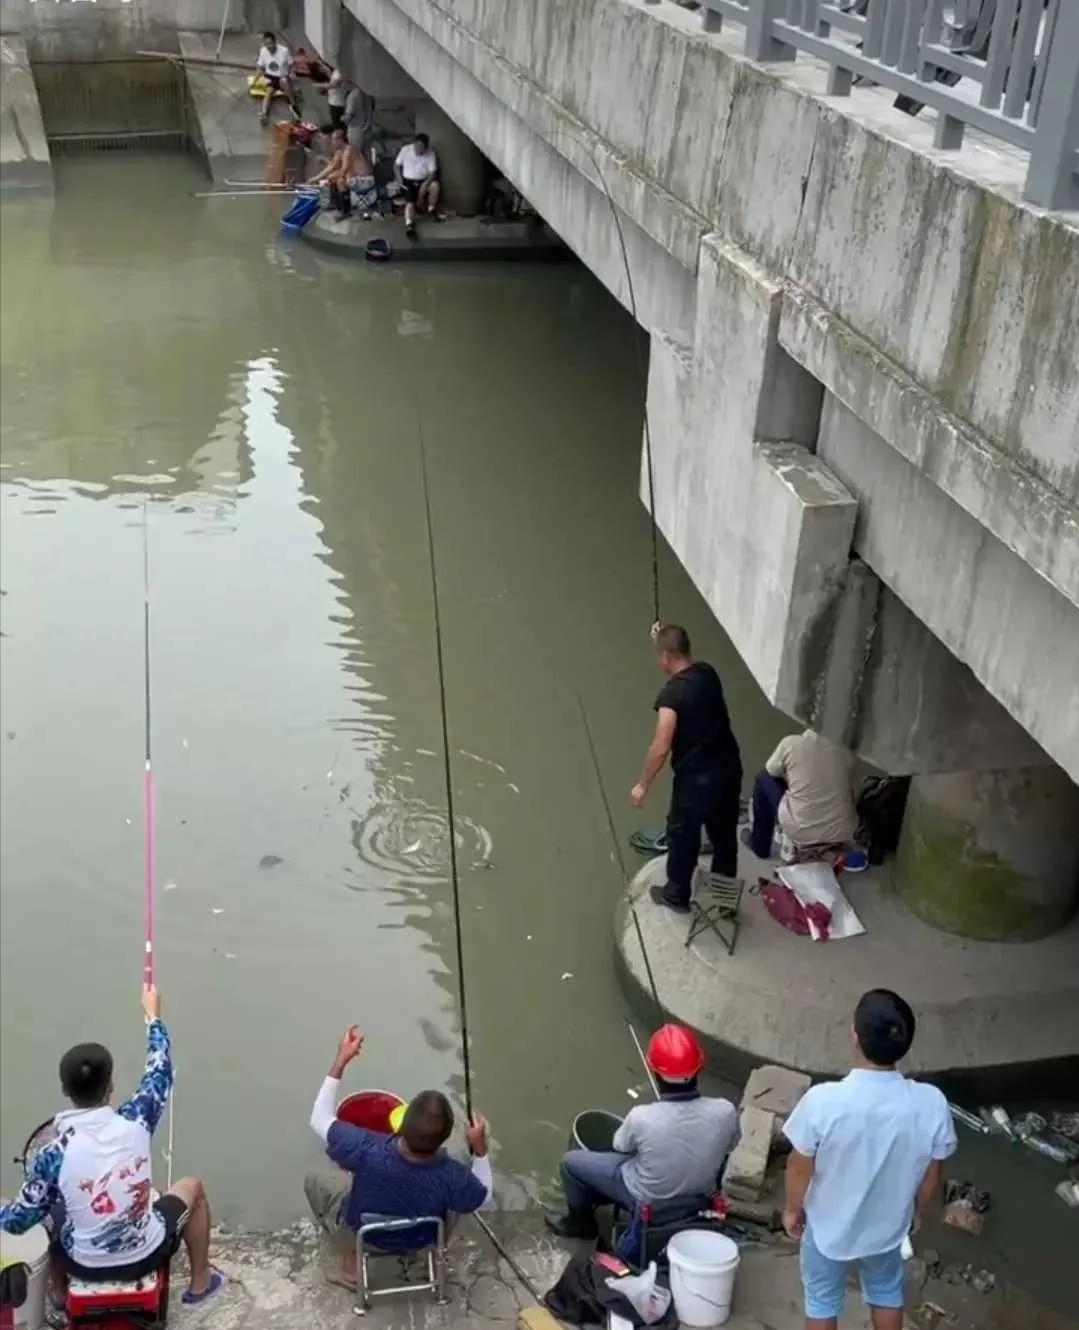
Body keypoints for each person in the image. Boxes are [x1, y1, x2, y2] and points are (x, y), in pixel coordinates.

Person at [0, 986, 222, 1314]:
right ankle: (200, 1284)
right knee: (193, 1188)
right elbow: (159, 1069)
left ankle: (61, 1296)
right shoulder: (138, 1118)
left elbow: (17, 1222)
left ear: (65, 1090)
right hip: (148, 1251)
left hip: (82, 1264)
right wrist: (153, 1016)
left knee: (50, 1214)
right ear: (111, 1086)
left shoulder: (53, 1154)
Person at [782, 989, 956, 1330]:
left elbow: (799, 1166)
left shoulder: (823, 1101)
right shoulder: (930, 1102)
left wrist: (792, 1209)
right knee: (886, 1292)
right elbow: (932, 1173)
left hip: (828, 1227)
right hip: (887, 1228)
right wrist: (916, 1212)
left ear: (854, 1036)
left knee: (821, 1300)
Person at [306, 1026, 492, 1284]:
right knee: (460, 1197)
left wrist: (342, 1059)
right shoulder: (451, 1173)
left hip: (366, 1233)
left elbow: (319, 1118)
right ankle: (437, 1256)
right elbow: (482, 1196)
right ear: (447, 1135)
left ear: (401, 1125)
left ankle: (350, 1264)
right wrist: (480, 1150)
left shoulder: (366, 1148)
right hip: (422, 1236)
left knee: (316, 1178)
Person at [545, 1025, 738, 1240]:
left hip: (647, 1198)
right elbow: (729, 1145)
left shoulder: (642, 1117)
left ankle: (580, 1225)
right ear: (699, 1067)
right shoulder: (726, 1110)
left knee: (570, 1163)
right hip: (699, 1194)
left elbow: (620, 1146)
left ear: (654, 1071)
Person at [631, 624, 743, 914]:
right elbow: (674, 641)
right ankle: (723, 900)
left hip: (697, 781)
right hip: (729, 770)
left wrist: (643, 784)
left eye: (659, 655)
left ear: (666, 657)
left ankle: (676, 894)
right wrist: (660, 633)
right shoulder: (709, 673)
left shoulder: (671, 696)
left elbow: (661, 745)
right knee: (724, 837)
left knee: (683, 835)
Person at [746, 729, 856, 860]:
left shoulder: (791, 743)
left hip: (802, 830)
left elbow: (772, 770)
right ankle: (831, 842)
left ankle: (760, 846)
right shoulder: (845, 753)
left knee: (764, 778)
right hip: (843, 831)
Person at [394, 133, 440, 238]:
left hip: (423, 180)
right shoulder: (406, 150)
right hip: (408, 181)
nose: (418, 149)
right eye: (417, 146)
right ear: (414, 144)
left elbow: (433, 172)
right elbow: (396, 165)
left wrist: (425, 184)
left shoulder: (430, 153)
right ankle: (409, 224)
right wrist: (399, 178)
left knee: (435, 186)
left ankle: (431, 209)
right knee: (410, 202)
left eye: (421, 148)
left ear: (426, 147)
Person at [310, 128, 362, 220]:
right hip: (352, 176)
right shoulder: (339, 151)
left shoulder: (348, 149)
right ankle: (334, 205)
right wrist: (314, 179)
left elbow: (344, 170)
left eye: (333, 139)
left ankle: (346, 211)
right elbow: (331, 167)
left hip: (363, 178)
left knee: (340, 180)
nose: (332, 142)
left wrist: (332, 176)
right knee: (331, 178)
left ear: (340, 140)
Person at [255, 31, 296, 126]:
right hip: (271, 76)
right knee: (268, 93)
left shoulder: (284, 51)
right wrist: (258, 72)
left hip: (282, 76)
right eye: (266, 44)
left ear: (275, 42)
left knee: (285, 83)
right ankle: (264, 114)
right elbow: (259, 65)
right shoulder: (263, 50)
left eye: (270, 44)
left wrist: (291, 73)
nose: (269, 47)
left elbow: (291, 64)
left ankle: (293, 105)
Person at [343, 83, 375, 160]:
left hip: (356, 132)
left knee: (356, 156)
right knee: (367, 155)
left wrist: (342, 119)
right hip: (367, 130)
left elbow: (348, 116)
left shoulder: (353, 96)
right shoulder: (368, 96)